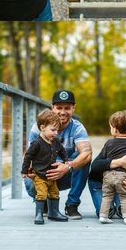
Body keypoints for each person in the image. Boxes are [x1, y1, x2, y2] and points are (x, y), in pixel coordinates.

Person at [26, 89, 93, 219]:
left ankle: (72, 205)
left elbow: (87, 153)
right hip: (42, 174)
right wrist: (30, 170)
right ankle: (43, 201)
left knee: (85, 159)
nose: (63, 112)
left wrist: (67, 167)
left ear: (73, 108)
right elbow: (29, 155)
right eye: (59, 108)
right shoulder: (39, 127)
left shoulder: (77, 127)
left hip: (66, 174)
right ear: (52, 108)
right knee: (30, 180)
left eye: (67, 108)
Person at [21, 109, 69, 225]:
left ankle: (54, 212)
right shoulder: (37, 143)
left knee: (54, 192)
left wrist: (66, 161)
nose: (56, 133)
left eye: (57, 130)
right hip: (40, 175)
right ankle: (39, 214)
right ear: (42, 128)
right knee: (41, 194)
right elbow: (28, 156)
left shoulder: (55, 141)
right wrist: (24, 170)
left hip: (51, 176)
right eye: (53, 130)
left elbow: (62, 151)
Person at [96, 110, 126, 225]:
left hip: (108, 175)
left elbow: (104, 156)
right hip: (122, 175)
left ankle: (103, 216)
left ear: (115, 129)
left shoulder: (109, 142)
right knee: (124, 196)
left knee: (107, 196)